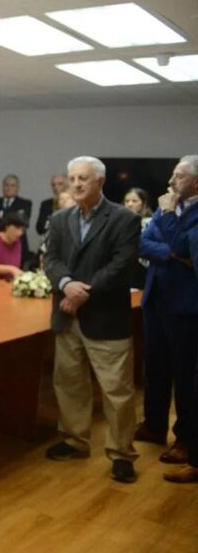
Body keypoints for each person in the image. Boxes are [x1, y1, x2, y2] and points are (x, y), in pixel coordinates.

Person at [43, 156, 141, 484]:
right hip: (67, 317)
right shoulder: (60, 219)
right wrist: (66, 284)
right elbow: (51, 259)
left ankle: (122, 454)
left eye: (83, 178)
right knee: (69, 384)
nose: (76, 184)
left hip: (105, 317)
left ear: (100, 182)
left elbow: (121, 265)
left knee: (117, 391)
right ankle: (74, 441)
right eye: (72, 178)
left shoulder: (124, 219)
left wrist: (82, 292)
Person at [151, 155, 198, 483]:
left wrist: (168, 217)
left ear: (196, 182)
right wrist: (173, 254)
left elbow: (184, 245)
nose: (171, 181)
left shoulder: (170, 208)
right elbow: (144, 242)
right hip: (158, 299)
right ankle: (154, 426)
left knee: (186, 378)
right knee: (155, 367)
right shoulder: (167, 205)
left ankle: (186, 441)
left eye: (178, 176)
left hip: (186, 305)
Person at [0, 174, 32, 262]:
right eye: (6, 185)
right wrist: (11, 216)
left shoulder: (25, 203)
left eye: (13, 185)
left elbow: (21, 221)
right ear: (2, 187)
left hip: (16, 244)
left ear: (17, 188)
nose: (9, 188)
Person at [124, 187, 153, 290]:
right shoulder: (119, 222)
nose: (129, 204)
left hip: (145, 270)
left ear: (143, 203)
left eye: (134, 201)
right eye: (127, 201)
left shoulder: (151, 223)